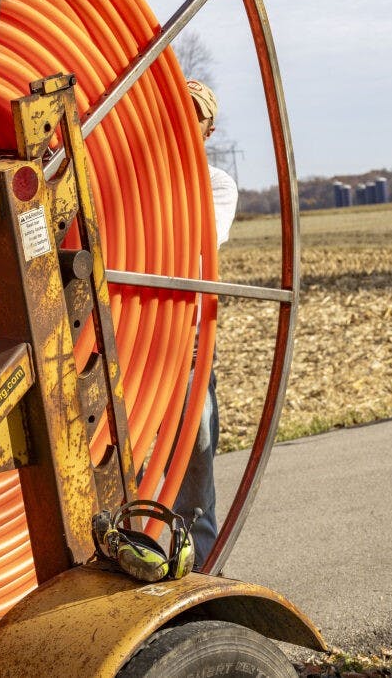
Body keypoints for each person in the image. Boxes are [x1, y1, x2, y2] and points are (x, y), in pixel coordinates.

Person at [174, 78, 237, 568]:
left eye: (191, 113)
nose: (180, 119)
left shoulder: (216, 184)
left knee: (197, 451)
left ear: (208, 128)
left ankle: (204, 570)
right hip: (127, 340)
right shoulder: (134, 179)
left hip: (187, 341)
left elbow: (194, 245)